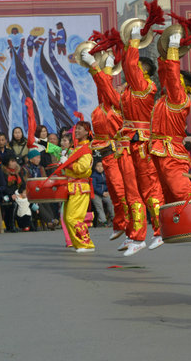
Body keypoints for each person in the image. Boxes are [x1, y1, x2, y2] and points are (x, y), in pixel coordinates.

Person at [116, 25, 165, 255]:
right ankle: (136, 236)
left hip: (142, 142)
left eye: (136, 67)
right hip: (128, 142)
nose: (130, 70)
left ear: (143, 70)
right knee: (131, 191)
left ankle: (159, 230)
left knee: (148, 189)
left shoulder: (145, 87)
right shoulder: (129, 90)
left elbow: (129, 66)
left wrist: (134, 42)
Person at [81, 50, 130, 241]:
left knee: (120, 191)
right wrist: (106, 66)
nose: (117, 89)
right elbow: (103, 87)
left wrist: (95, 65)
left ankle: (131, 229)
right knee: (114, 192)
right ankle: (120, 224)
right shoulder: (104, 106)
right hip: (106, 155)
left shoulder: (119, 105)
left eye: (121, 88)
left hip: (118, 153)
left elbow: (105, 86)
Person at [150, 32, 191, 207]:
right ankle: (172, 232)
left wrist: (173, 52)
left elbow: (171, 76)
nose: (174, 81)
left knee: (181, 192)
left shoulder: (180, 99)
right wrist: (164, 55)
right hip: (158, 150)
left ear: (187, 87)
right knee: (166, 197)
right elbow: (166, 75)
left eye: (179, 80)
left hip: (171, 152)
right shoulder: (166, 99)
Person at [62, 121, 96, 253]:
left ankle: (86, 244)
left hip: (79, 187)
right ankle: (78, 243)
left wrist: (68, 164)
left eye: (80, 129)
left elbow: (83, 168)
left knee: (73, 217)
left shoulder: (86, 148)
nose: (76, 132)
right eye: (76, 129)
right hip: (72, 186)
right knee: (67, 218)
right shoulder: (77, 148)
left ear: (87, 132)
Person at [23, 149, 57, 230]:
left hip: (40, 191)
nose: (39, 159)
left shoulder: (40, 168)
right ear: (31, 159)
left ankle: (51, 221)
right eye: (37, 157)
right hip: (29, 192)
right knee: (38, 202)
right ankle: (51, 221)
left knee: (45, 200)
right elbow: (25, 182)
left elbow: (44, 180)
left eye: (39, 157)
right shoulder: (25, 169)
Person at [0, 155, 24, 233]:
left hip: (17, 193)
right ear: (7, 163)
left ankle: (27, 224)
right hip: (5, 194)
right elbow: (3, 187)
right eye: (12, 161)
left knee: (27, 200)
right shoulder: (3, 173)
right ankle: (11, 224)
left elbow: (22, 184)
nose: (14, 163)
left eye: (15, 161)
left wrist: (23, 192)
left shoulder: (17, 171)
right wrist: (11, 194)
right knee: (13, 203)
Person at [91, 160, 114, 227]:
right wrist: (102, 193)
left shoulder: (105, 174)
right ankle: (103, 221)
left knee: (111, 203)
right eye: (98, 166)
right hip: (96, 193)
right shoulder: (93, 175)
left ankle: (114, 219)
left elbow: (109, 184)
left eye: (101, 166)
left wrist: (107, 191)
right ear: (95, 167)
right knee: (99, 206)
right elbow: (94, 187)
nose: (100, 168)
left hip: (105, 192)